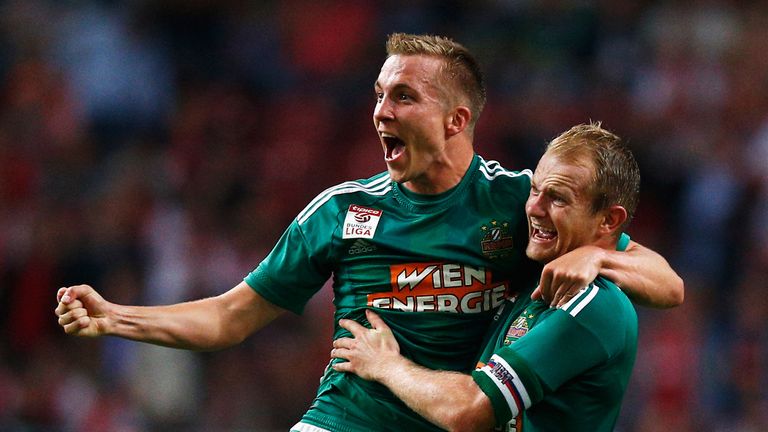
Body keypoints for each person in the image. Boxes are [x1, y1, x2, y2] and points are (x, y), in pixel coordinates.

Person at [55, 34, 683, 432]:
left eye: (403, 97)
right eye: (379, 94)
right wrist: (116, 318)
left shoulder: (524, 200)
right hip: (345, 420)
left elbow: (668, 284)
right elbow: (230, 317)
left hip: (454, 416)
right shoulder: (339, 211)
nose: (381, 111)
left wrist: (601, 260)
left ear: (456, 118)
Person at [332, 122, 649, 431]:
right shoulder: (532, 279)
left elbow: (469, 412)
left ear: (609, 221)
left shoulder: (592, 305)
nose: (534, 208)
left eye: (558, 198)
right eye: (535, 190)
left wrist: (386, 365)